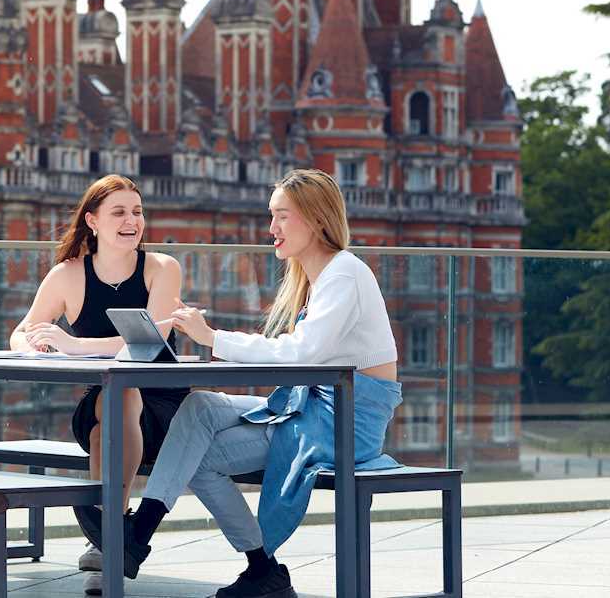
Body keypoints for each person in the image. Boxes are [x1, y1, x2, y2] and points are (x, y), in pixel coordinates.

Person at [86, 169, 403, 598]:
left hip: (345, 421)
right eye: (271, 217)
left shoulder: (344, 273)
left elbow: (302, 353)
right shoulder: (316, 277)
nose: (271, 228)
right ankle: (142, 537)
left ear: (316, 219)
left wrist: (212, 338)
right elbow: (300, 355)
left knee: (197, 456)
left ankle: (250, 564)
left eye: (282, 217)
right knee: (198, 407)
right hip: (309, 406)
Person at [8, 174, 184, 595]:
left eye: (137, 212)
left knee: (122, 399)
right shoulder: (67, 274)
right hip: (101, 403)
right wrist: (37, 347)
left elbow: (149, 339)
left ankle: (105, 535)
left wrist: (72, 345)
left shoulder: (162, 268)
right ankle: (112, 535)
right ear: (92, 221)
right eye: (119, 212)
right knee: (114, 401)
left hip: (164, 408)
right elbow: (21, 331)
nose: (132, 221)